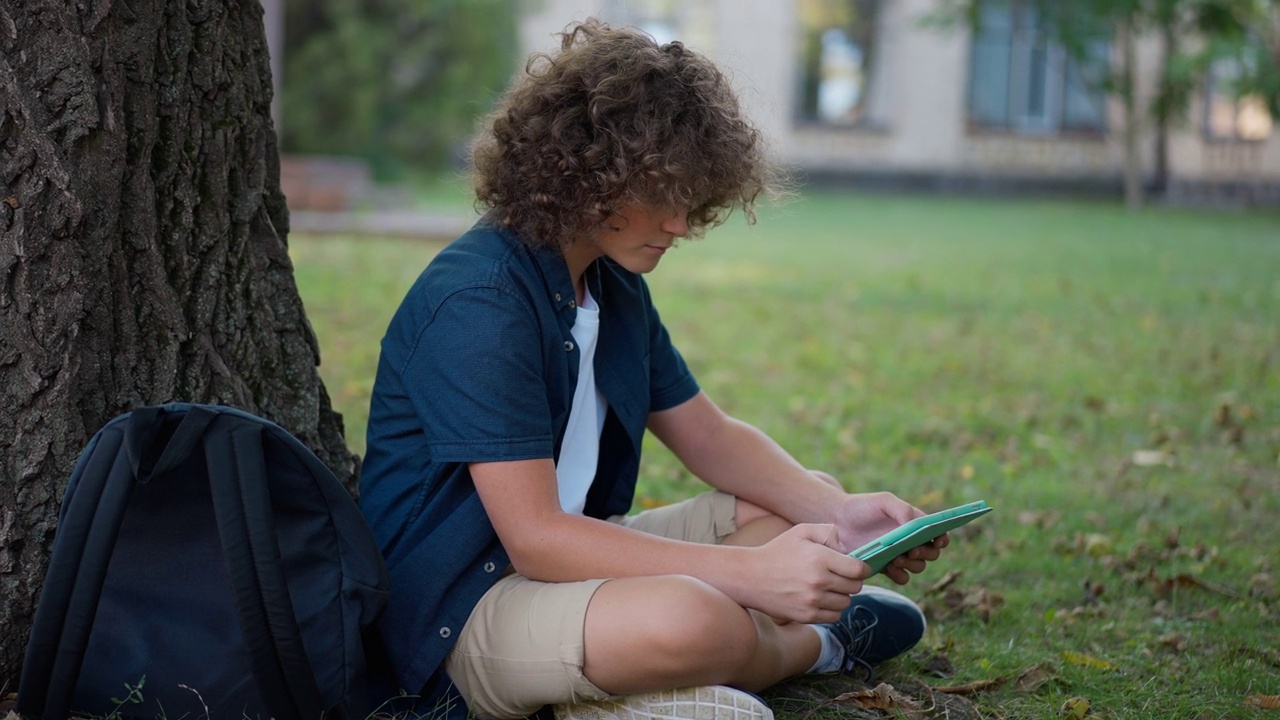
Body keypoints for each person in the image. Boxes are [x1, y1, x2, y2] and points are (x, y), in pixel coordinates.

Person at [359, 19, 948, 720]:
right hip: (464, 609)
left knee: (795, 503)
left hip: (562, 570)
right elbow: (536, 537)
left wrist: (840, 513)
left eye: (691, 198)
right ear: (584, 173)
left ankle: (655, 670)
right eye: (662, 195)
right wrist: (753, 577)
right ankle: (809, 646)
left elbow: (707, 434)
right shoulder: (480, 300)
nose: (680, 225)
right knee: (693, 618)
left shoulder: (609, 282)